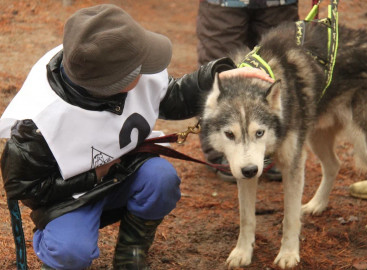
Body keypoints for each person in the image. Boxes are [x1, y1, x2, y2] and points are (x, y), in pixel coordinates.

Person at [0, 4, 265, 270]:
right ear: (113, 86)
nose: (147, 69)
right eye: (140, 66)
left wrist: (214, 79)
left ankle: (132, 248)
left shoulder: (123, 69)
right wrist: (94, 175)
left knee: (161, 180)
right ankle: (58, 256)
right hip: (68, 199)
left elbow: (170, 97)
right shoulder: (38, 123)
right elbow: (25, 188)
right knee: (71, 252)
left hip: (124, 172)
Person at [196, 0, 299, 181]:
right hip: (223, 4)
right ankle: (221, 154)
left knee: (280, 71)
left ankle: (272, 149)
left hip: (279, 3)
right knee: (219, 70)